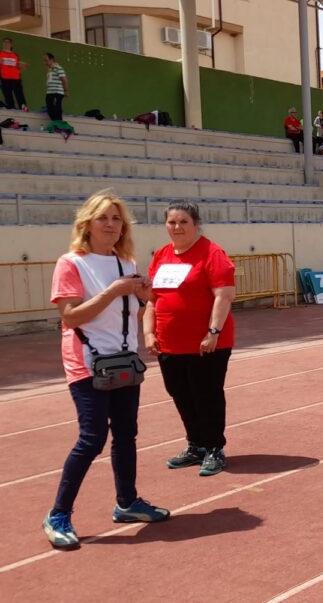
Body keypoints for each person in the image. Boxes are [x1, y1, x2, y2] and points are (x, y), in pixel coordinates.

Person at [45, 191, 169, 548]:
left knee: (127, 433)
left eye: (117, 219)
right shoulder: (71, 263)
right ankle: (58, 514)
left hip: (125, 361)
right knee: (92, 437)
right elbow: (69, 316)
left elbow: (136, 309)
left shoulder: (125, 263)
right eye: (104, 218)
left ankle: (127, 501)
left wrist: (144, 295)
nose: (111, 225)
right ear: (87, 224)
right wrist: (115, 291)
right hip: (87, 363)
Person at [145, 201, 237, 477]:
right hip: (169, 344)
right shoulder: (161, 255)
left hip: (206, 344)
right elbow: (152, 300)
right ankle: (195, 444)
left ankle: (214, 448)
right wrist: (149, 332)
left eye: (183, 222)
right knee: (180, 394)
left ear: (195, 224)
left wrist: (213, 332)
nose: (177, 227)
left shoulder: (212, 253)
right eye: (172, 222)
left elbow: (224, 295)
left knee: (206, 395)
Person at [1, 37, 28, 110]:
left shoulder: (15, 55)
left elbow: (18, 66)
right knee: (8, 95)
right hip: (5, 78)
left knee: (19, 95)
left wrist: (23, 65)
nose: (6, 44)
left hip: (16, 78)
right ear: (3, 44)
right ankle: (11, 108)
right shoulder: (0, 54)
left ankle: (24, 109)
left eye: (8, 42)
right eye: (5, 42)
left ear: (11, 44)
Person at [43, 52, 68, 122]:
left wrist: (65, 91)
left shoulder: (58, 68)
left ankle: (59, 123)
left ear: (52, 60)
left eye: (46, 60)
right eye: (44, 60)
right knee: (49, 108)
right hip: (49, 92)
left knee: (57, 108)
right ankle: (55, 122)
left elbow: (65, 80)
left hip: (57, 92)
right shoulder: (49, 70)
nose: (45, 62)